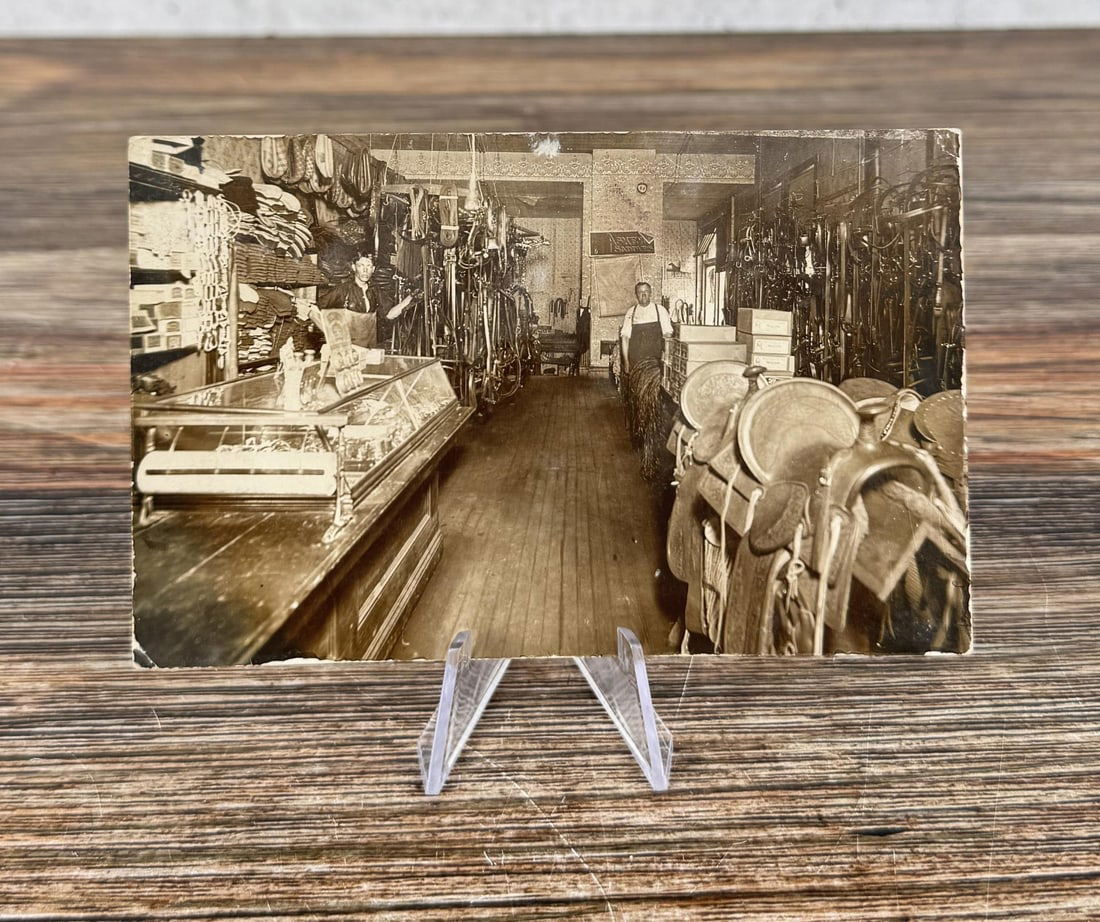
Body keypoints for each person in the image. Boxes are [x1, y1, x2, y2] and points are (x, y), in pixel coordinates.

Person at [317, 251, 414, 349]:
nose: (365, 270)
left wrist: (410, 298)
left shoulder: (375, 291)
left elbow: (389, 314)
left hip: (368, 347)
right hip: (346, 349)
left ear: (373, 269)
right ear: (354, 267)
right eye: (361, 265)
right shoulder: (343, 290)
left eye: (369, 266)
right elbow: (317, 308)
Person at [619, 282, 672, 374]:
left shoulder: (660, 310)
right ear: (636, 295)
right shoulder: (631, 312)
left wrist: (666, 359)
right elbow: (625, 338)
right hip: (636, 362)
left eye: (646, 291)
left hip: (655, 362)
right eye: (640, 292)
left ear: (650, 293)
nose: (643, 294)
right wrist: (626, 362)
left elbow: (667, 336)